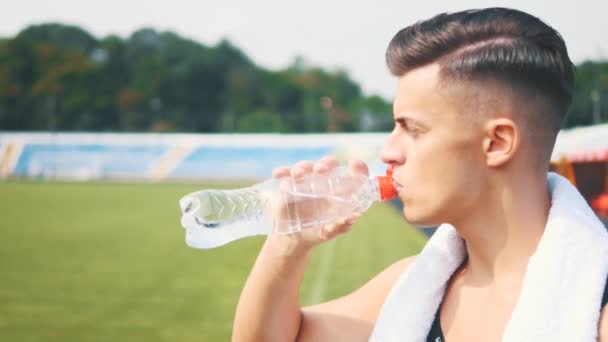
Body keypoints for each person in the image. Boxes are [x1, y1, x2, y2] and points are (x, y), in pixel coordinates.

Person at [232, 7, 608, 341]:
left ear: (496, 143)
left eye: (412, 129)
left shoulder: (598, 314)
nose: (389, 151)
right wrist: (288, 242)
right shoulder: (409, 286)